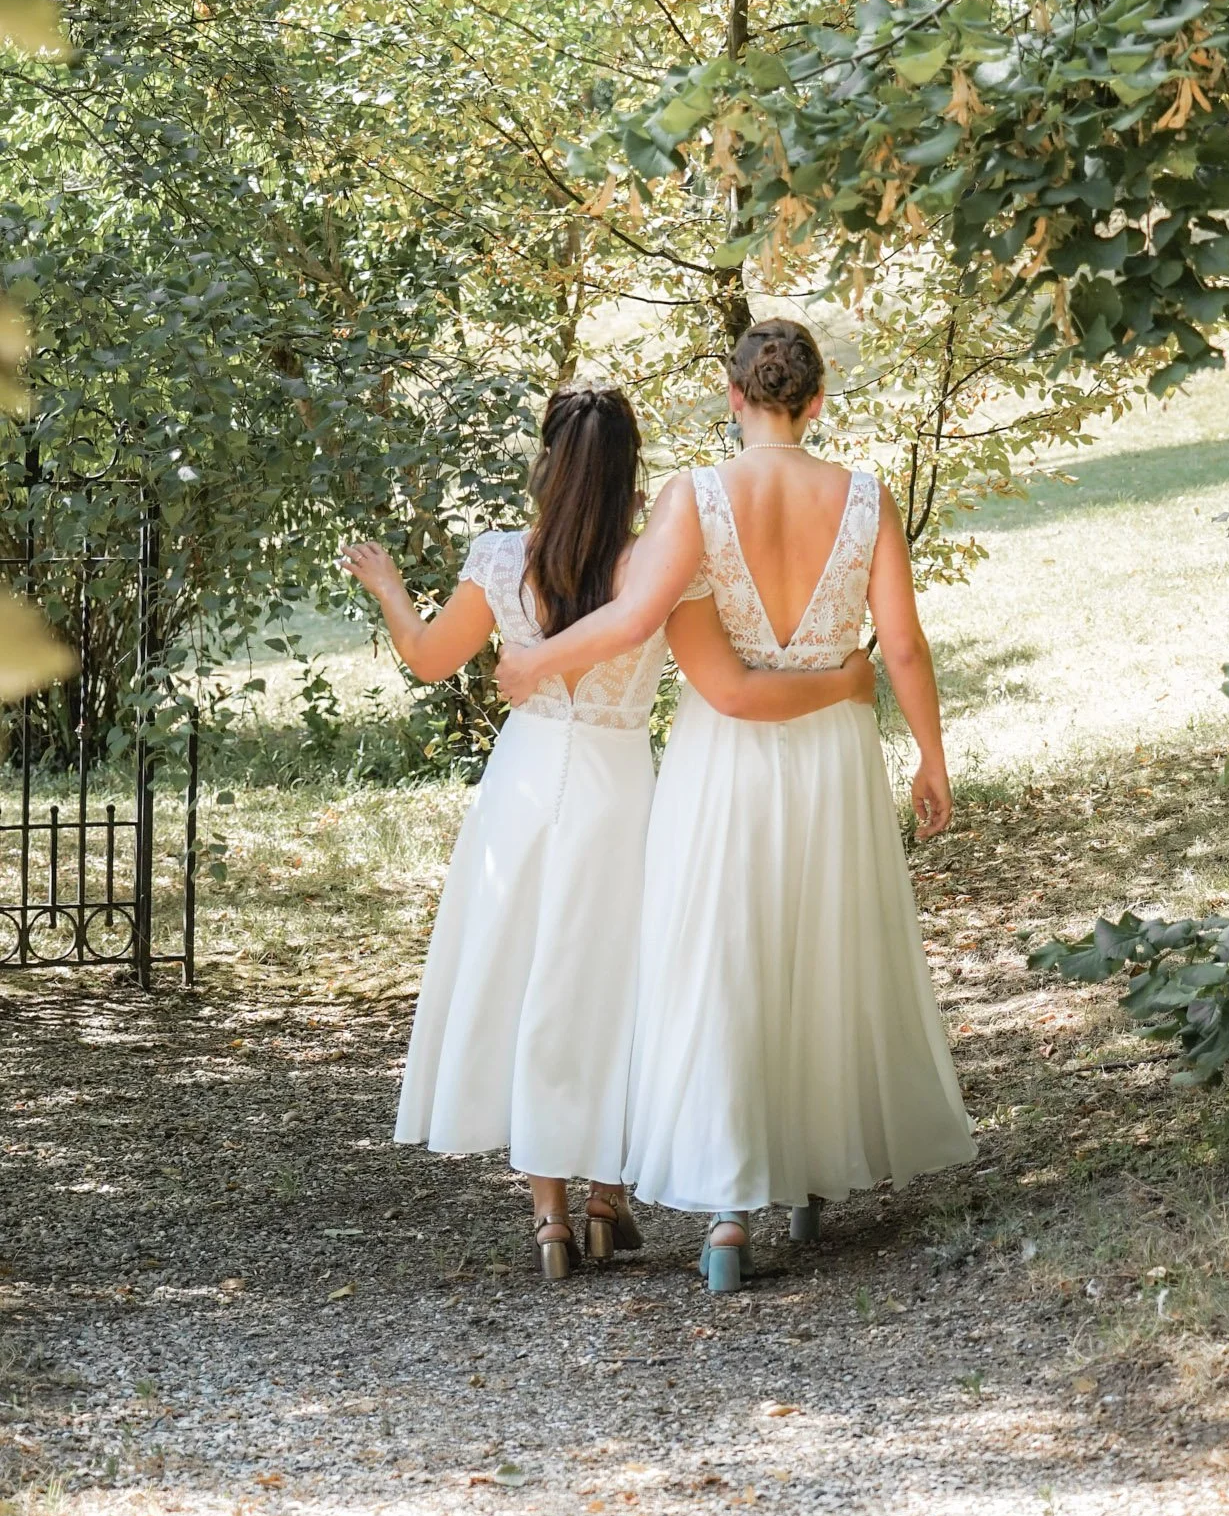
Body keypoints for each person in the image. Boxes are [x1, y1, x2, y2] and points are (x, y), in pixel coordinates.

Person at [341, 384, 875, 1281]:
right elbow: (728, 688)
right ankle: (605, 1194)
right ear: (634, 475)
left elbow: (430, 659)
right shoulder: (659, 572)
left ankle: (548, 1218)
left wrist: (390, 587)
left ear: (546, 464)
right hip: (622, 788)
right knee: (623, 986)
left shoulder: (501, 560)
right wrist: (839, 679)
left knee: (528, 980)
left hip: (523, 786)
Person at [496, 324, 977, 1292]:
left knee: (723, 952)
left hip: (725, 756)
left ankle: (726, 1209)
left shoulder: (695, 494)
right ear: (818, 395)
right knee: (820, 945)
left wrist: (532, 660)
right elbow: (905, 644)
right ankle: (805, 1173)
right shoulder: (866, 495)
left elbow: (633, 619)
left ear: (731, 394)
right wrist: (930, 754)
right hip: (835, 744)